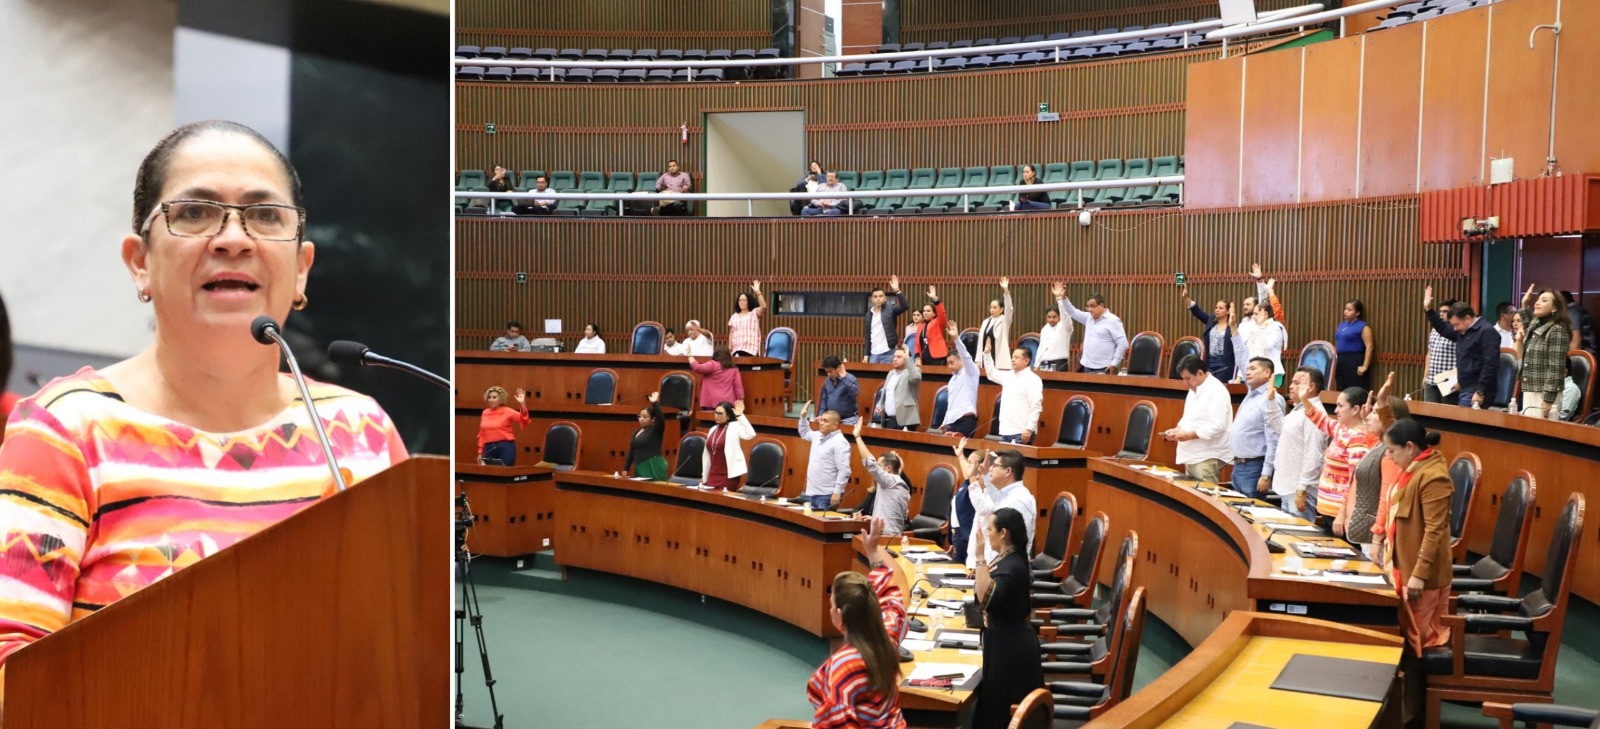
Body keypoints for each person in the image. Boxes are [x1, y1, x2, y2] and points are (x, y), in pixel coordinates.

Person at [0, 121, 410, 672]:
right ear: (140, 262)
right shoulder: (66, 432)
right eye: (195, 212)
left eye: (265, 216)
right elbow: (11, 673)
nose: (234, 238)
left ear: (301, 269)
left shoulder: (363, 434)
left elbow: (408, 645)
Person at [806, 517, 905, 729]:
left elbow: (838, 723)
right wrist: (873, 552)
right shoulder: (886, 637)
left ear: (839, 615)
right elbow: (892, 600)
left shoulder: (845, 664)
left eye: (832, 604)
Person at [1373, 419, 1453, 658]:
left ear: (1410, 447)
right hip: (1404, 566)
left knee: (1421, 640)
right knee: (1404, 634)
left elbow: (1434, 531)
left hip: (1423, 577)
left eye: (1391, 451)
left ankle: (1418, 692)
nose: (1388, 457)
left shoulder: (1433, 477)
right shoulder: (1413, 467)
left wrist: (1419, 574)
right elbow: (1395, 427)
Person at [971, 507, 1045, 729]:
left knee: (999, 711)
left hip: (1011, 650)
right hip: (1004, 640)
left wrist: (979, 557)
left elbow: (986, 599)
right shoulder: (1010, 558)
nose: (987, 533)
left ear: (1003, 533)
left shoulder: (1012, 565)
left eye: (990, 528)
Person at [1294, 383, 1375, 530]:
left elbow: (1355, 480)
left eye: (1340, 406)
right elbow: (1321, 419)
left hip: (1340, 515)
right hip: (1328, 510)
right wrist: (1304, 399)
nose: (1336, 410)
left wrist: (1342, 513)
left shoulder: (1358, 438)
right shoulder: (1342, 428)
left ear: (1355, 409)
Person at [954, 443, 1037, 567]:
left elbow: (1011, 546)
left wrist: (988, 568)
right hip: (995, 567)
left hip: (1007, 572)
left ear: (1008, 471)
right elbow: (994, 495)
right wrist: (986, 473)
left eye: (995, 466)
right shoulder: (1006, 494)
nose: (991, 468)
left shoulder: (1017, 501)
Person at [1349, 374, 1401, 560]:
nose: (1369, 416)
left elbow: (1386, 496)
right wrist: (1365, 420)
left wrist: (1377, 537)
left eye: (1374, 413)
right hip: (1369, 529)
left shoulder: (1391, 454)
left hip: (1377, 535)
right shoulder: (1380, 445)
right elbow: (1373, 444)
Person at [1423, 287, 1500, 409]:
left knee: (1464, 426)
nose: (1454, 329)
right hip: (1465, 387)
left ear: (1468, 318)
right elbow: (1444, 329)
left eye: (1456, 324)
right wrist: (1429, 310)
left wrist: (1480, 391)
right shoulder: (1463, 330)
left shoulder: (1487, 331)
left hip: (1476, 390)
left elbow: (1490, 364)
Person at [1270, 367, 1331, 521]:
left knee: (1298, 538)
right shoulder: (1298, 410)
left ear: (1310, 387)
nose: (1291, 386)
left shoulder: (1315, 413)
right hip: (1288, 486)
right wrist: (1271, 401)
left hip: (1299, 491)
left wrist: (1302, 489)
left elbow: (1314, 455)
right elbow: (1279, 429)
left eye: (1296, 383)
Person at [1163, 355, 1234, 483]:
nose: (1186, 383)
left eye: (1188, 378)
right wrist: (1176, 430)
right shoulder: (1194, 388)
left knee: (1204, 497)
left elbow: (1218, 426)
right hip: (1191, 453)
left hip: (1207, 455)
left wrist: (1188, 435)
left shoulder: (1216, 391)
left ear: (1200, 373)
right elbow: (1189, 418)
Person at [1514, 285, 1573, 419]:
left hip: (1545, 394)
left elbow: (1556, 368)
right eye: (1538, 299)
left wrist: (1548, 399)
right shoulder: (1538, 325)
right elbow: (1530, 323)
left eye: (1544, 300)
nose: (1537, 302)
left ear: (1554, 308)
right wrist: (1524, 305)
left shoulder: (1557, 330)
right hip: (1530, 388)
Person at [1229, 357, 1283, 497]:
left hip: (1255, 468)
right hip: (1239, 465)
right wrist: (1234, 335)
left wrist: (1266, 474)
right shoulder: (1251, 394)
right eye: (1247, 369)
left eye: (1252, 369)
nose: (1247, 372)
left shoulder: (1272, 399)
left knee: (1249, 515)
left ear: (1267, 373)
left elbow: (1274, 439)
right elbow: (1241, 356)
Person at [851, 419, 911, 536]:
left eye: (880, 466)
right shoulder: (896, 484)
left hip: (886, 537)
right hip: (889, 534)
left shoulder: (891, 481)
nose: (877, 469)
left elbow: (870, 464)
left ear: (888, 469)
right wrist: (873, 518)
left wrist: (858, 437)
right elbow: (890, 511)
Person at [982, 345, 1043, 445]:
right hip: (1006, 430)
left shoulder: (1033, 380)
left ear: (1026, 361)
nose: (1013, 360)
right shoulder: (1008, 376)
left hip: (1022, 431)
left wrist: (1029, 428)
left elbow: (1036, 406)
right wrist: (987, 354)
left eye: (1017, 357)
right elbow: (991, 373)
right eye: (1013, 357)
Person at [797, 402, 852, 510]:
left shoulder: (840, 442)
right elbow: (804, 433)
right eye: (821, 420)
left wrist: (837, 492)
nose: (821, 423)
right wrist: (803, 417)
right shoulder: (817, 435)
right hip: (812, 492)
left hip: (827, 495)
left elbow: (844, 470)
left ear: (835, 425)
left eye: (825, 421)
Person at [1059, 288, 1127, 374]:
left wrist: (1114, 363)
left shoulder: (1113, 321)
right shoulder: (1088, 318)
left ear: (1101, 305)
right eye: (1088, 306)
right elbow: (1072, 312)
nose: (1090, 309)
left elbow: (1122, 343)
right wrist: (1063, 297)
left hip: (1104, 367)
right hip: (1086, 365)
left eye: (1092, 306)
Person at [1181, 288, 1242, 381]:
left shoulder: (1234, 327)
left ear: (1228, 311)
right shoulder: (1211, 321)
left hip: (1225, 365)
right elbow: (1197, 311)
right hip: (1210, 363)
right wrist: (1186, 298)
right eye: (1216, 308)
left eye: (1220, 308)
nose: (1217, 310)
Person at [937, 319, 980, 437]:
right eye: (948, 363)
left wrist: (956, 338)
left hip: (965, 420)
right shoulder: (953, 379)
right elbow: (951, 403)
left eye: (952, 362)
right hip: (952, 421)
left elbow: (966, 355)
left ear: (960, 360)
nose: (949, 366)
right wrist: (945, 421)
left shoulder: (970, 371)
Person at [702, 400, 756, 491]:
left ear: (728, 416)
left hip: (728, 476)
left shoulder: (734, 427)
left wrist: (740, 416)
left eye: (720, 414)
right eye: (715, 413)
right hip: (712, 474)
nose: (717, 416)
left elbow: (750, 434)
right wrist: (704, 475)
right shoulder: (712, 429)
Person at [947, 444, 987, 563]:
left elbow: (969, 476)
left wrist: (961, 457)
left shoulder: (977, 486)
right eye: (968, 462)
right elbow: (954, 511)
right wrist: (951, 540)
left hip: (967, 537)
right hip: (957, 536)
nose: (968, 466)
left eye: (971, 463)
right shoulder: (965, 485)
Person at [621, 392, 668, 480]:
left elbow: (661, 419)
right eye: (640, 416)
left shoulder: (656, 430)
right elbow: (632, 451)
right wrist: (626, 468)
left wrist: (655, 403)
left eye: (645, 417)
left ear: (653, 419)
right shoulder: (636, 432)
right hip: (640, 466)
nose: (641, 419)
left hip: (653, 466)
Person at [478, 386, 529, 466]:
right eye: (489, 397)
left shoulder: (507, 411)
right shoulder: (485, 412)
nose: (491, 400)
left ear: (500, 398)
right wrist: (480, 452)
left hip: (506, 447)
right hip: (489, 448)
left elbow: (523, 418)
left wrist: (522, 404)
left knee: (504, 473)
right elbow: (482, 433)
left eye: (494, 397)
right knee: (488, 474)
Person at [863, 276, 908, 364]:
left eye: (880, 296)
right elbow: (868, 335)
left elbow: (905, 306)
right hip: (873, 353)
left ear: (885, 298)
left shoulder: (891, 309)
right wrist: (866, 355)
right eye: (875, 296)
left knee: (888, 376)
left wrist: (897, 290)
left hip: (888, 351)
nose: (878, 298)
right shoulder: (869, 314)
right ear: (872, 299)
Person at [1422, 297, 1459, 403]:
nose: (1441, 314)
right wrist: (1425, 375)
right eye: (1440, 311)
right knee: (1428, 414)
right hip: (1431, 379)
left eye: (1445, 311)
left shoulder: (1457, 330)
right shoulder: (1434, 329)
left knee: (1446, 414)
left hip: (1449, 380)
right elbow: (1430, 352)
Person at [877, 346, 922, 430]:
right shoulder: (890, 373)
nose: (895, 359)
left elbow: (915, 378)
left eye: (899, 357)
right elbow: (886, 394)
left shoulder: (914, 371)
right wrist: (880, 405)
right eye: (894, 356)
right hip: (889, 420)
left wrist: (907, 358)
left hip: (906, 421)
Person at [690, 345, 745, 411]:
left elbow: (697, 368)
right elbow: (738, 387)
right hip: (728, 403)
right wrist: (741, 401)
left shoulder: (712, 365)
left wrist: (690, 356)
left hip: (710, 402)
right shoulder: (734, 369)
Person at [1245, 302, 1288, 386]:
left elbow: (1266, 346)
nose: (1253, 317)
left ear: (1265, 314)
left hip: (1273, 372)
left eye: (1256, 314)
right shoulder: (1255, 327)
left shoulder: (1275, 327)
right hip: (1257, 373)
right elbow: (1249, 350)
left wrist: (1261, 328)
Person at [1335, 299, 1375, 390]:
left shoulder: (1363, 326)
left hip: (1355, 360)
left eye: (1349, 310)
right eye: (1345, 309)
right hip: (1341, 361)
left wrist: (1365, 366)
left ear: (1357, 313)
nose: (1346, 312)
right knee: (1341, 387)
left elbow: (1370, 346)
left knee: (1354, 389)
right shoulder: (1341, 325)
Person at [978, 278, 1014, 372]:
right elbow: (980, 343)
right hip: (984, 360)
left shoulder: (1004, 321)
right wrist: (978, 360)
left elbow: (1009, 309)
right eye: (990, 307)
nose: (992, 310)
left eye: (994, 307)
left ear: (1001, 310)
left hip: (999, 361)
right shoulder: (985, 322)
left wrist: (1006, 291)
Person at [1036, 287, 1075, 372]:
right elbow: (1041, 347)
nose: (1051, 319)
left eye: (1054, 317)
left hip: (1059, 363)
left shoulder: (1065, 327)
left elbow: (1065, 315)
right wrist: (1036, 364)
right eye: (1049, 317)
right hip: (1044, 364)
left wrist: (1059, 299)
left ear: (1059, 316)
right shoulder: (1045, 329)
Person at [911, 286, 950, 366]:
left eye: (928, 311)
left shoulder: (938, 322)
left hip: (937, 357)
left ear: (934, 313)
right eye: (924, 311)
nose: (925, 313)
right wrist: (917, 357)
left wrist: (935, 299)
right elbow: (917, 343)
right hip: (924, 357)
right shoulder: (921, 325)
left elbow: (941, 312)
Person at [817, 355, 861, 425]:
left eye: (830, 371)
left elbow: (854, 393)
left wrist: (844, 379)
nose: (828, 374)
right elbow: (824, 399)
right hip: (831, 420)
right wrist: (821, 414)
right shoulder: (827, 381)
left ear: (838, 368)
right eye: (827, 372)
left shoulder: (850, 378)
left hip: (848, 420)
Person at [728, 280, 767, 357]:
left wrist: (758, 292)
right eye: (740, 300)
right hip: (736, 349)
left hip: (751, 349)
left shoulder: (754, 313)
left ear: (749, 302)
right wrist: (730, 349)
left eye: (744, 300)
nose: (741, 302)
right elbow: (731, 333)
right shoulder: (734, 316)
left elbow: (763, 306)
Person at [1562, 290, 1597, 356]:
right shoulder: (1576, 309)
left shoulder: (1572, 312)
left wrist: (1572, 360)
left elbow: (1576, 338)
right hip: (1586, 352)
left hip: (1584, 354)